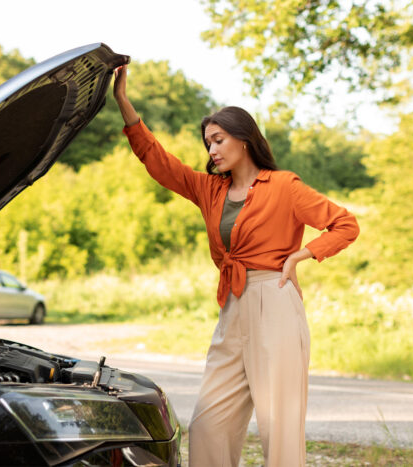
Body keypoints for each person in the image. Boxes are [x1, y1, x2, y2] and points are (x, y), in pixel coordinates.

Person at [113, 65, 359, 467]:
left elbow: (345, 224)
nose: (211, 149)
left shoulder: (284, 186)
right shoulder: (210, 189)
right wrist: (124, 104)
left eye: (218, 139)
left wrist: (303, 254)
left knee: (278, 426)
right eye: (207, 142)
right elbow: (158, 162)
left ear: (244, 139)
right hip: (233, 305)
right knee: (208, 425)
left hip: (274, 301)